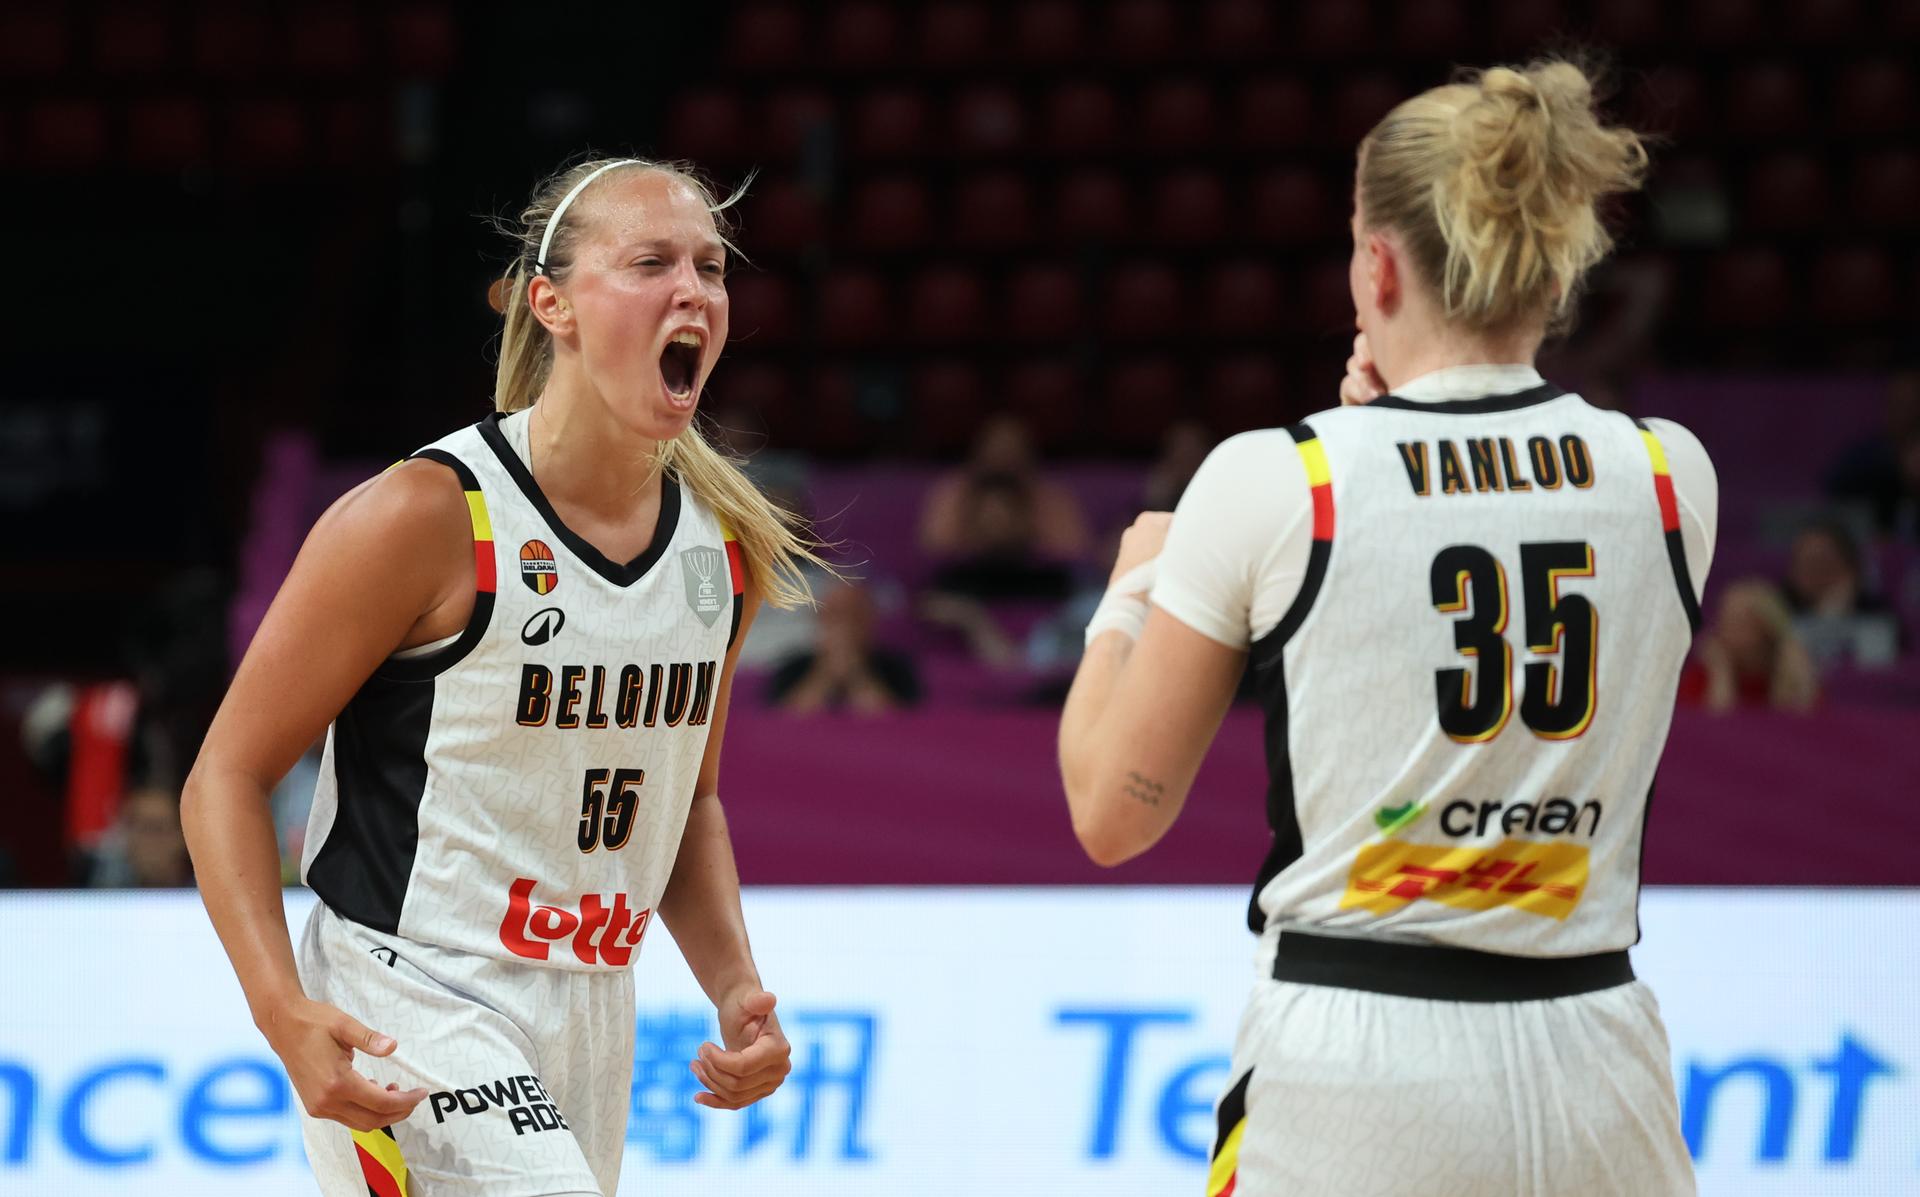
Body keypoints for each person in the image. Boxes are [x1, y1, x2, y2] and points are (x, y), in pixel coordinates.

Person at [1059, 60, 1714, 1195]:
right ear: (1551, 262)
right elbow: (1472, 513)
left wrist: (1130, 593)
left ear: (1376, 263)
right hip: (1598, 1055)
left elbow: (1113, 814)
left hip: (1360, 1063)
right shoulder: (1669, 474)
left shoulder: (1280, 481)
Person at [183, 157, 827, 1197]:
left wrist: (734, 982)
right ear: (553, 304)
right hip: (410, 991)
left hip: (593, 1003)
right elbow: (222, 776)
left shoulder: (724, 547)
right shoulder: (426, 515)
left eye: (711, 267)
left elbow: (687, 803)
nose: (693, 291)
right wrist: (277, 1004)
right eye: (651, 262)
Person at [767, 581, 921, 714]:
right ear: (819, 620)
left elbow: (894, 723)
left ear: (870, 620)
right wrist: (824, 672)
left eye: (854, 615)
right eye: (835, 614)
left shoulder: (897, 668)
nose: (844, 625)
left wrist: (857, 672)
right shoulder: (792, 667)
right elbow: (788, 722)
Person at [1678, 578, 1818, 711]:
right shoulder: (1702, 676)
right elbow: (1714, 729)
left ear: (1767, 630)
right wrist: (1721, 674)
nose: (1723, 632)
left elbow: (1800, 726)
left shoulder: (1792, 669)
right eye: (1723, 622)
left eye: (1738, 623)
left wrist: (1798, 673)